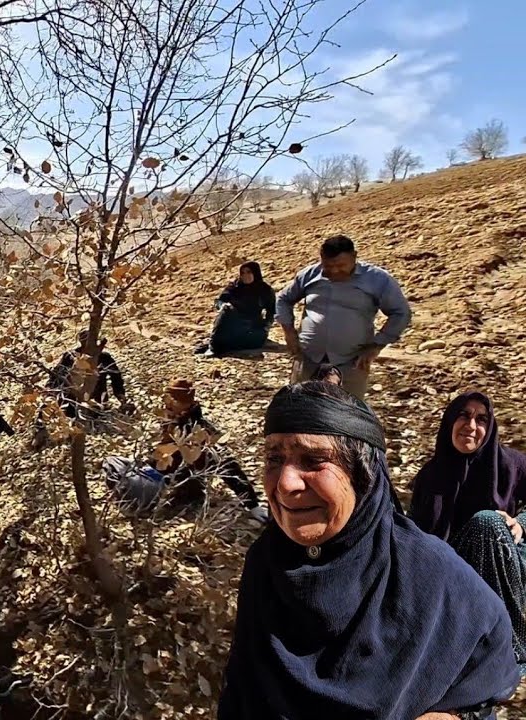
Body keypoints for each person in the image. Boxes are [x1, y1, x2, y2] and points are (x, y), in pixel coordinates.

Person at [219, 382, 520, 719]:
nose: (286, 483)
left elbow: (489, 662)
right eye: (274, 458)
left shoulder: (427, 571)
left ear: (362, 475)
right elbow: (242, 686)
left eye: (314, 459)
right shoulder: (268, 561)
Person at [410, 391, 526, 669]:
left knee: (487, 522)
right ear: (450, 421)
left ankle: (511, 648)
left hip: (507, 560)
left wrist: (521, 522)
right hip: (456, 567)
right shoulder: (430, 476)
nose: (471, 426)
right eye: (464, 415)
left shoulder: (511, 464)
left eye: (481, 419)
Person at [100, 378, 266, 520]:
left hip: (175, 486)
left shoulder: (200, 430)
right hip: (154, 474)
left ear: (185, 403)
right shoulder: (170, 419)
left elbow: (228, 465)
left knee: (128, 486)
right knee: (113, 462)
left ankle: (137, 501)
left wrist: (252, 505)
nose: (167, 405)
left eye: (173, 401)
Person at [275, 234, 411, 400]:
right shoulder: (310, 275)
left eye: (341, 265)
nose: (334, 271)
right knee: (300, 408)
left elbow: (400, 312)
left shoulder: (377, 279)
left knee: (347, 413)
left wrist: (377, 345)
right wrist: (289, 331)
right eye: (328, 266)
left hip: (351, 361)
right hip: (309, 358)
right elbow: (283, 299)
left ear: (354, 257)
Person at [30, 330, 132, 450]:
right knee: (48, 405)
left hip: (95, 403)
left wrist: (122, 399)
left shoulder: (104, 358)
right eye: (85, 341)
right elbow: (56, 377)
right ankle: (39, 432)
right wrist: (49, 393)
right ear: (80, 342)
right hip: (70, 401)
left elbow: (117, 380)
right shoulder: (71, 356)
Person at [194, 261, 275, 356]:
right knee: (227, 310)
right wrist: (222, 305)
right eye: (243, 273)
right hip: (234, 324)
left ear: (255, 273)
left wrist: (266, 327)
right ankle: (214, 347)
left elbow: (272, 311)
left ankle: (221, 345)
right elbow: (219, 301)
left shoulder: (265, 290)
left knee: (253, 341)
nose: (245, 275)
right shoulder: (235, 287)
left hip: (252, 327)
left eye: (249, 272)